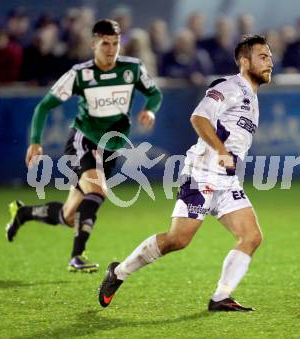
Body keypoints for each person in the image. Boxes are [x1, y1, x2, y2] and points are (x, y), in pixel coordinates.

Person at [99, 35, 273, 311]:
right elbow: (199, 117)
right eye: (263, 57)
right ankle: (118, 272)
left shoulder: (251, 97)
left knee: (251, 236)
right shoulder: (229, 87)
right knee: (177, 240)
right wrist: (220, 151)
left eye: (270, 57)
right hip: (203, 173)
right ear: (244, 61)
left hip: (226, 181)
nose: (269, 63)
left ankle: (220, 297)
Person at [5, 19, 163, 272]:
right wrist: (35, 141)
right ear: (93, 44)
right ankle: (76, 256)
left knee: (69, 216)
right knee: (98, 191)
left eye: (115, 43)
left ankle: (23, 214)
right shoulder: (80, 74)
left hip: (111, 147)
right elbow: (44, 106)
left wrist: (150, 110)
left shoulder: (132, 69)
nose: (111, 49)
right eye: (105, 44)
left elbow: (155, 93)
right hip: (84, 140)